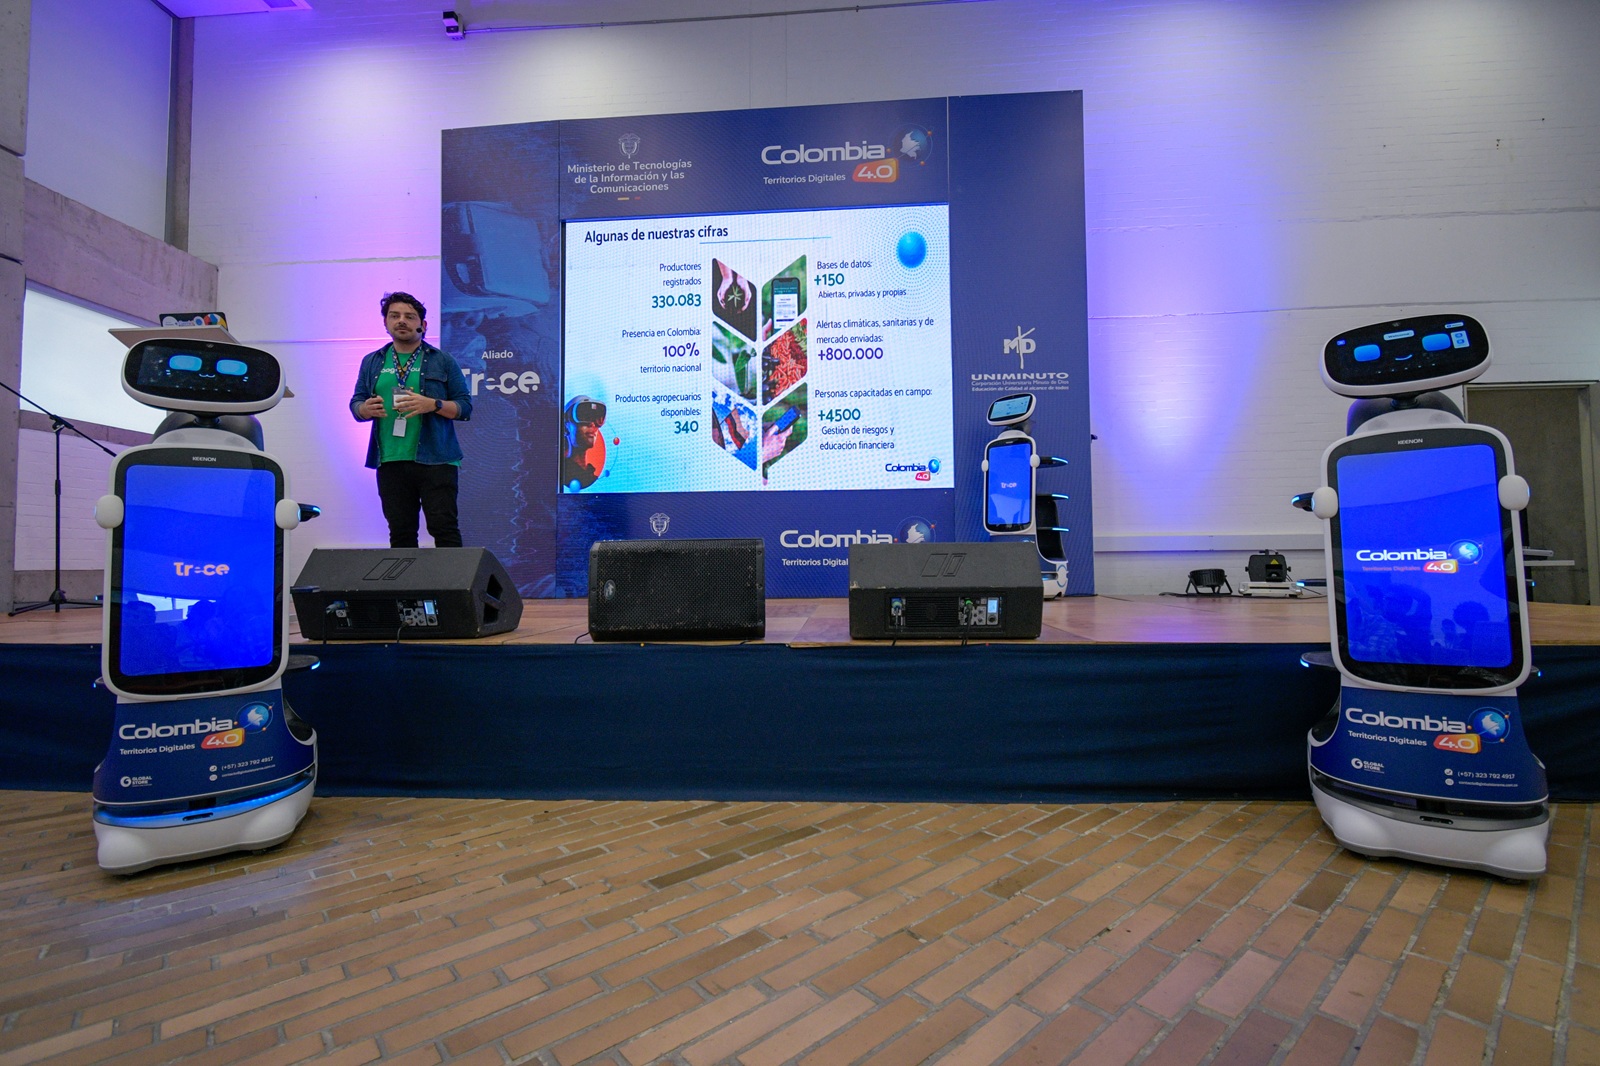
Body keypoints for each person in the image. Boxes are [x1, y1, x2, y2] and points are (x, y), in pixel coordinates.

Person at [350, 292, 474, 547]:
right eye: (394, 316)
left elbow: (465, 407)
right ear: (385, 323)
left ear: (423, 325)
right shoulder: (372, 361)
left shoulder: (443, 360)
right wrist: (365, 409)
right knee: (401, 533)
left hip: (437, 459)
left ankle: (449, 576)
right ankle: (406, 577)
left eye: (409, 316)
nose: (401, 321)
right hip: (390, 460)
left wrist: (433, 404)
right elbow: (356, 403)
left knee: (444, 529)